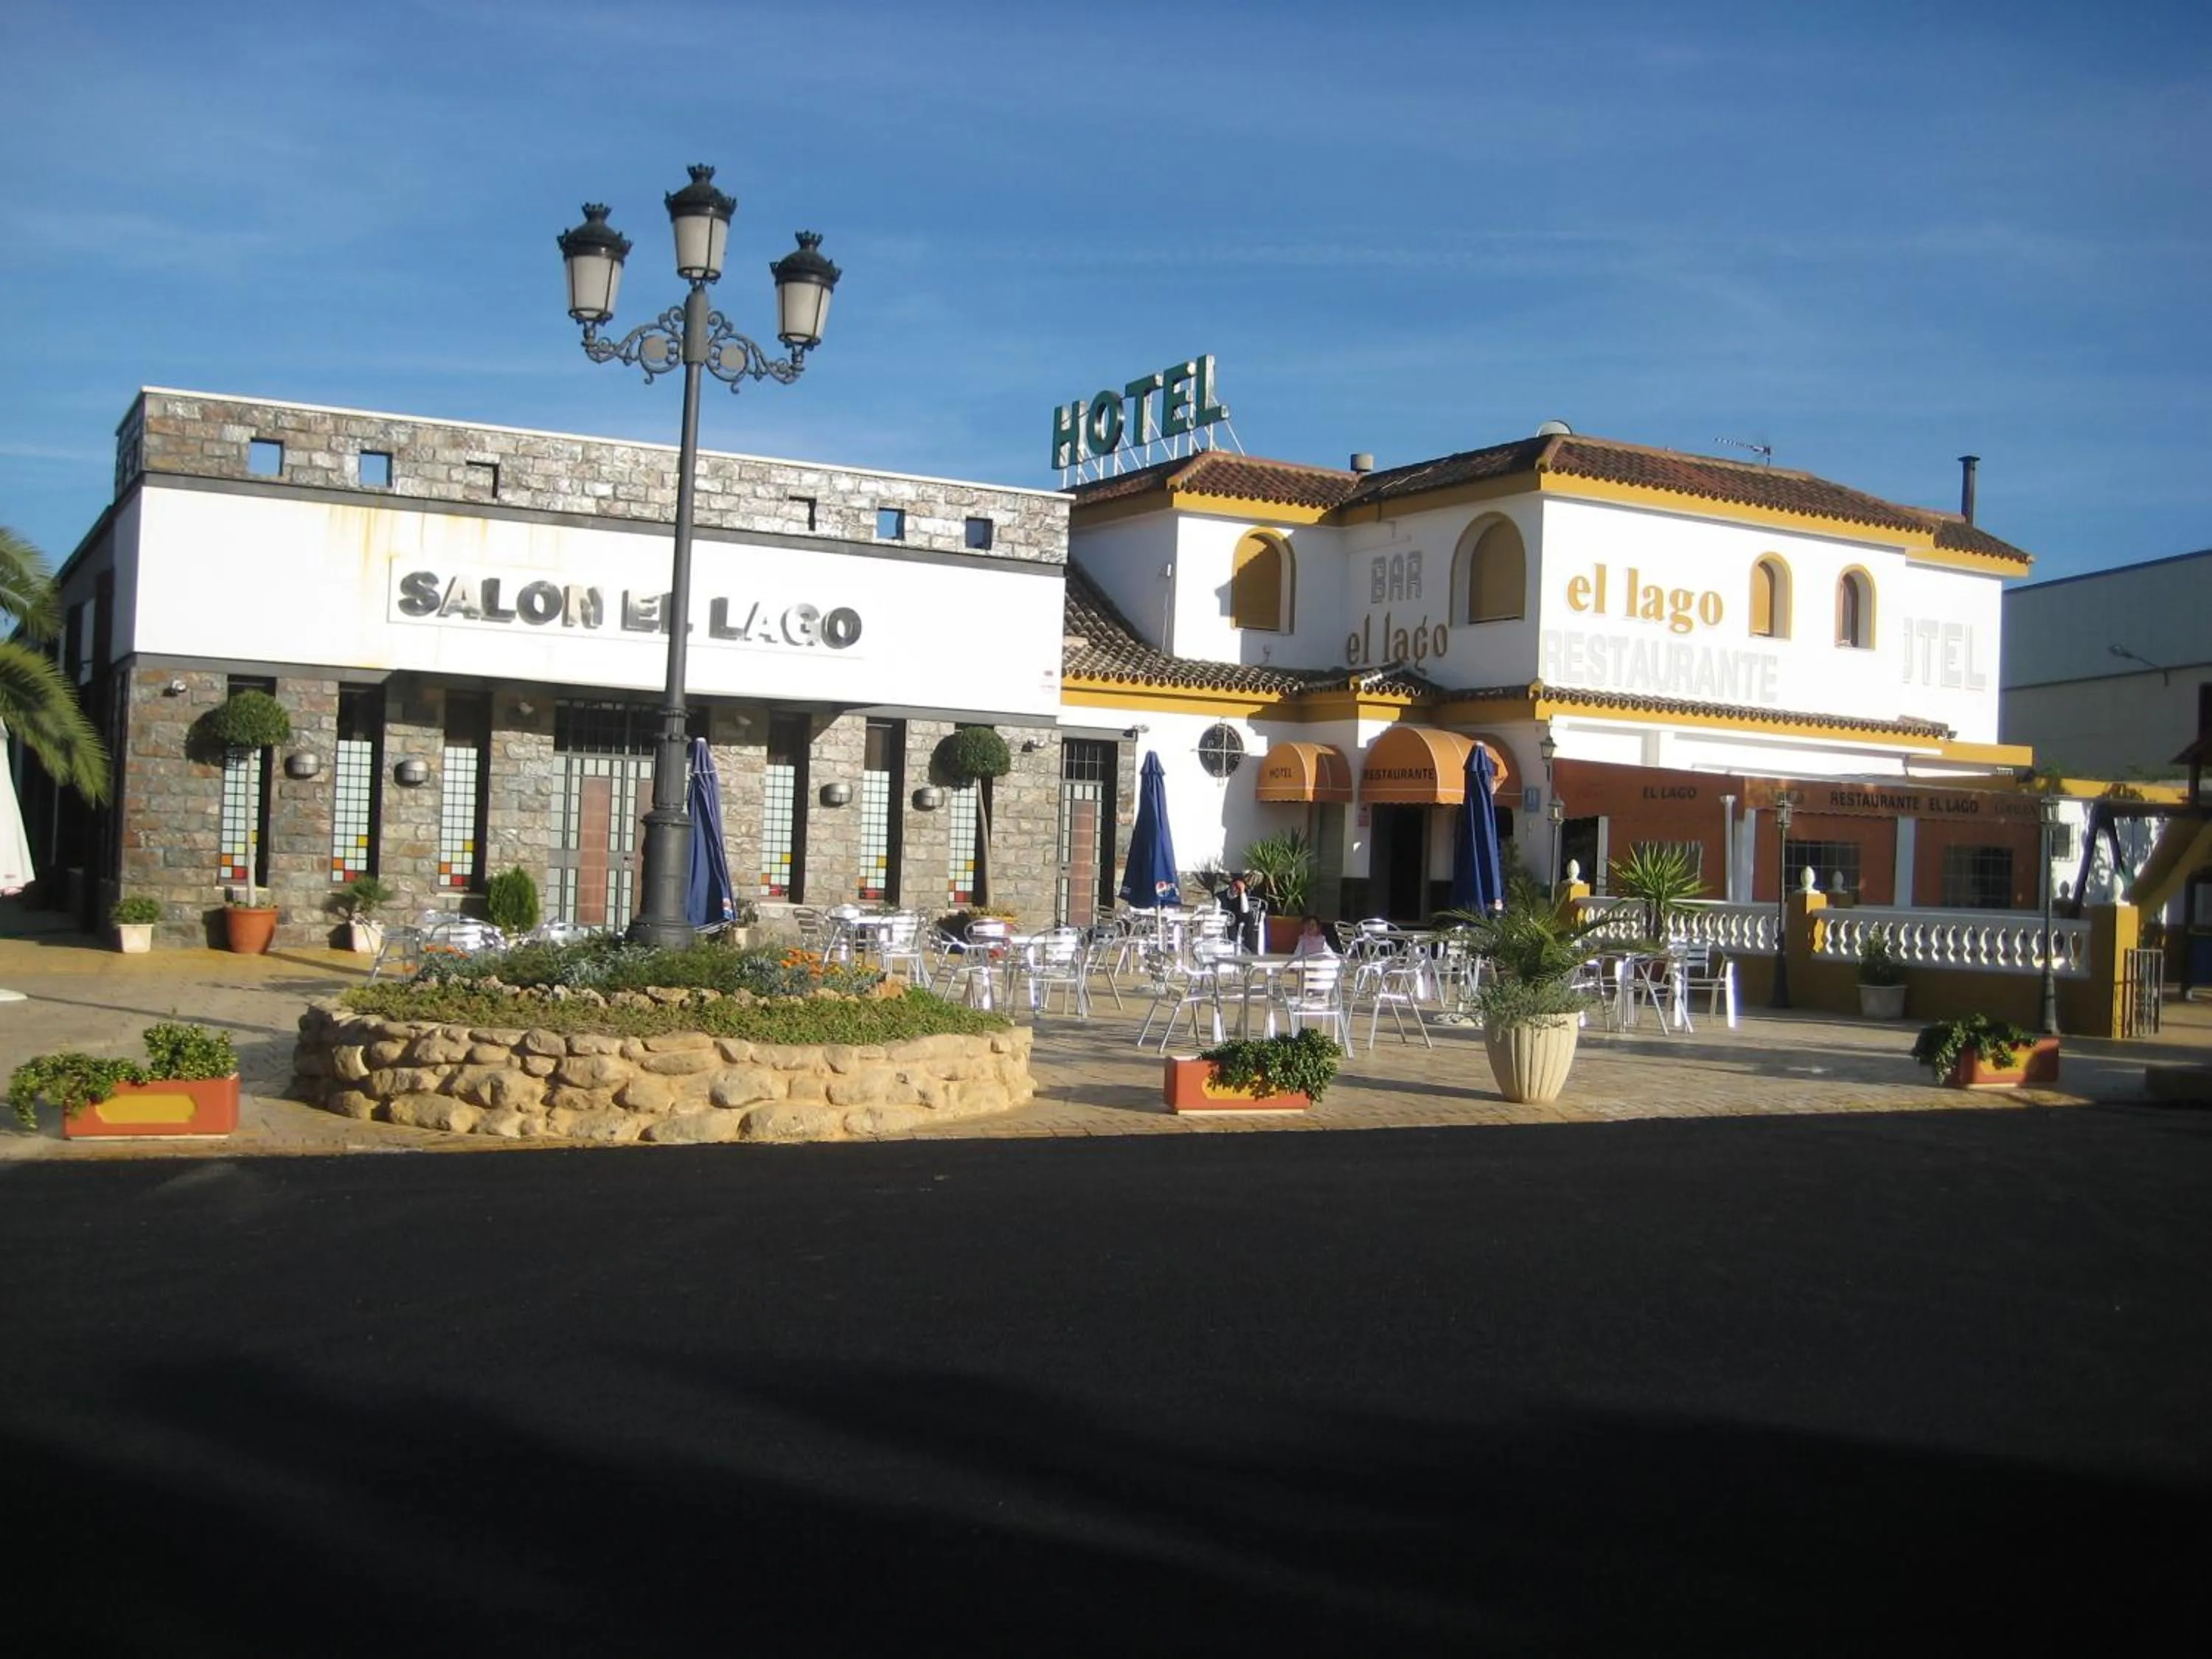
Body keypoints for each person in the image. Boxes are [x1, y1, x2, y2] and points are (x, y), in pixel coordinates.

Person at [1216, 872, 1262, 953]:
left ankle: (1251, 948)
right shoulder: (1220, 896)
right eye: (1236, 887)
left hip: (1238, 918)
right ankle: (1233, 949)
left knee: (1249, 917)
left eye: (1239, 888)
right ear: (1231, 885)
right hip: (1226, 920)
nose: (1237, 890)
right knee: (1231, 926)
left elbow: (1245, 910)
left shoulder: (1242, 895)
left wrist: (1242, 892)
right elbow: (1217, 912)